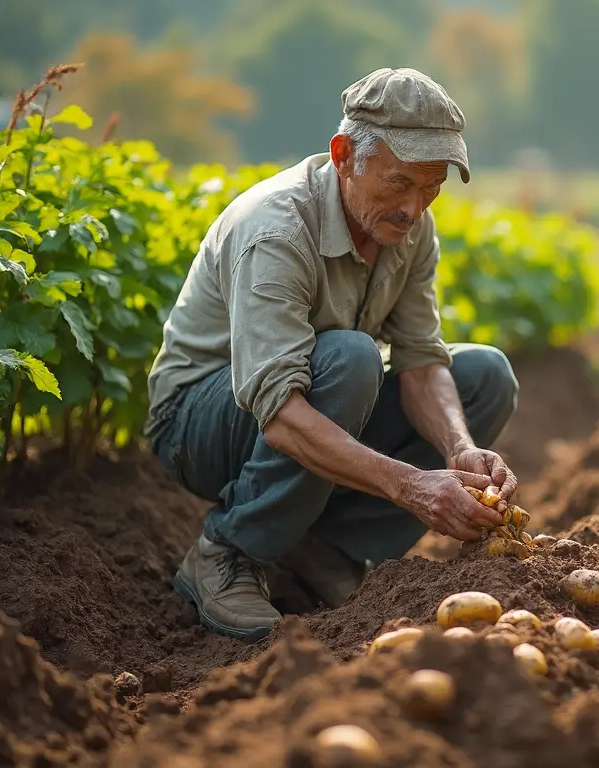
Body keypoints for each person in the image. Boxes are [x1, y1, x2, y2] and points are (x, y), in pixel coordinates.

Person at [144, 68, 520, 643]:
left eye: (431, 189)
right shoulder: (275, 229)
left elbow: (420, 360)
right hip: (199, 423)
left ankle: (325, 551)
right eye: (399, 184)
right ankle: (228, 552)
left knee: (484, 376)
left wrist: (460, 450)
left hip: (314, 397)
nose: (414, 208)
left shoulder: (410, 227)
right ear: (344, 155)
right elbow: (280, 411)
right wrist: (410, 485)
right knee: (351, 358)